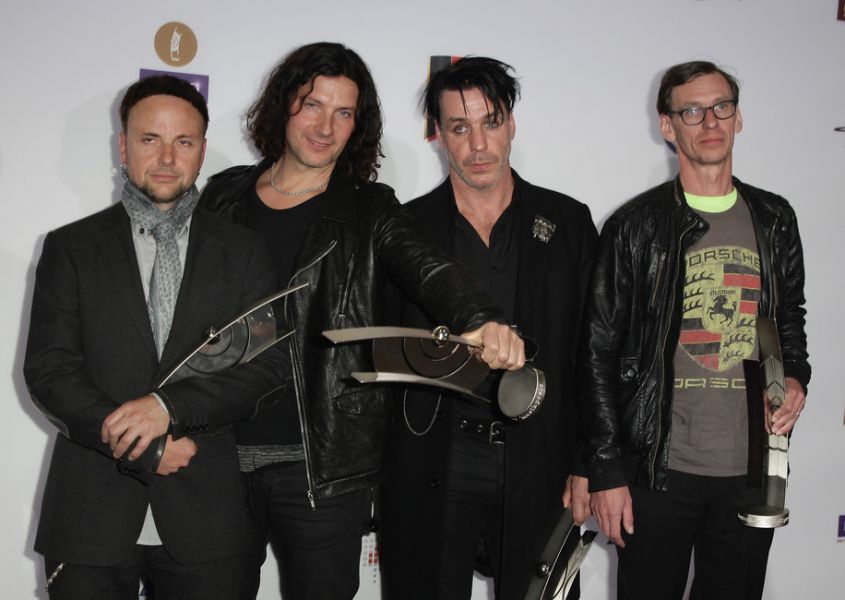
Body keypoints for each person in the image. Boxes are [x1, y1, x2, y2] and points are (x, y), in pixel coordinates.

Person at [198, 42, 524, 600]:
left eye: (343, 112)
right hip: (218, 456)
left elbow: (428, 268)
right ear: (284, 105)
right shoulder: (224, 195)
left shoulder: (369, 206)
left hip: (323, 468)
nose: (325, 126)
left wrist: (480, 318)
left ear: (358, 125)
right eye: (313, 105)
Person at [24, 75, 287, 599]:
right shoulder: (70, 248)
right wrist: (145, 449)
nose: (167, 157)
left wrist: (168, 408)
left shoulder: (245, 252)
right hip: (90, 514)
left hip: (209, 517)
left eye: (183, 141)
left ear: (202, 151)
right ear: (123, 147)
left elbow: (266, 369)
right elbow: (50, 373)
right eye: (150, 139)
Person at [576, 60, 811, 599]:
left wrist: (796, 376)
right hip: (658, 468)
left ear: (738, 117)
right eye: (692, 111)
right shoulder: (634, 226)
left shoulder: (775, 218)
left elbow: (789, 322)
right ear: (667, 125)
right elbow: (597, 353)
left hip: (752, 468)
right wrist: (607, 470)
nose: (710, 122)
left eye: (721, 107)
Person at [379, 56, 597, 600]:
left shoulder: (568, 222)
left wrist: (588, 462)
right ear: (437, 134)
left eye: (490, 122)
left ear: (511, 124)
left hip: (541, 459)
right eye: (459, 127)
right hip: (434, 457)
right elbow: (381, 352)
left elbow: (592, 354)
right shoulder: (406, 228)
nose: (478, 145)